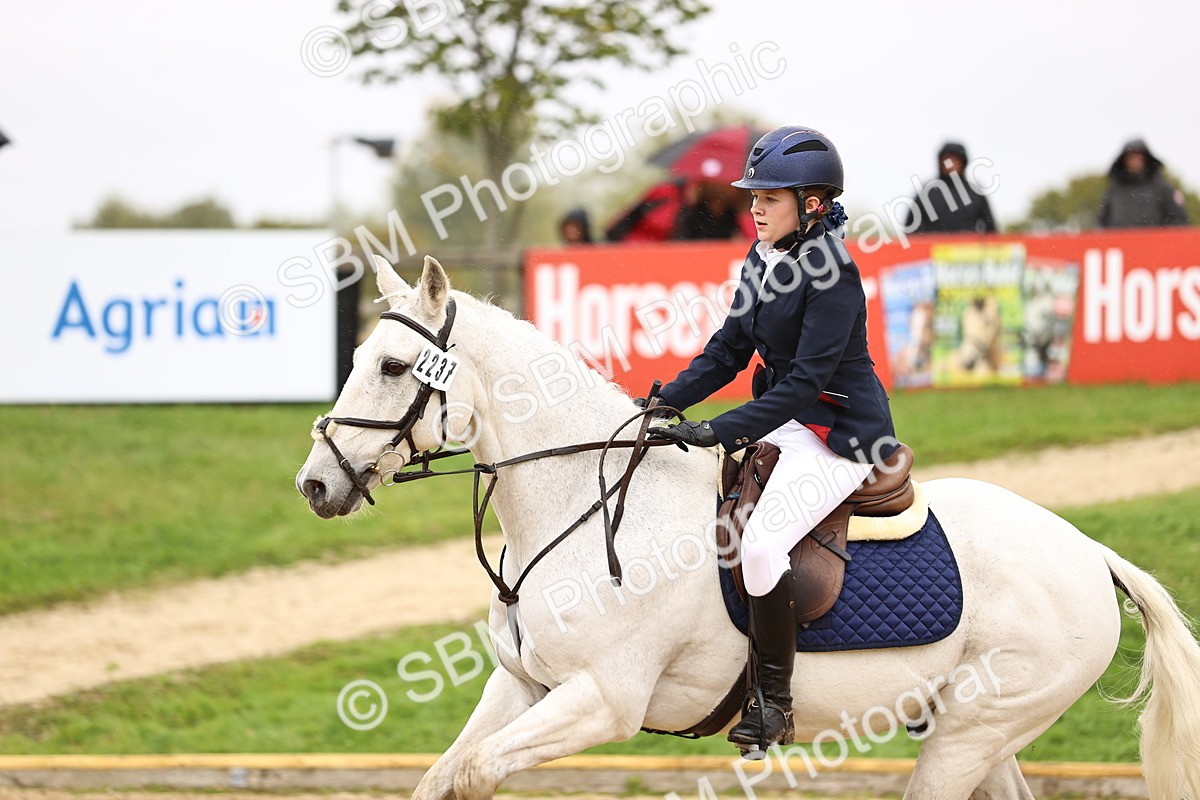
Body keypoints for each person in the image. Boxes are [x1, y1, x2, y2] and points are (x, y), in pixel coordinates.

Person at [645, 127, 899, 753]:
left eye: (770, 197)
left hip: (842, 432)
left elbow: (808, 382)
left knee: (758, 545)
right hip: (788, 418)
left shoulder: (833, 273)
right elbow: (729, 350)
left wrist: (719, 428)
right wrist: (662, 402)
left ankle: (773, 702)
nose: (753, 206)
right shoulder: (762, 259)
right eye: (753, 195)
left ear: (812, 203)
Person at [901, 142, 996, 234]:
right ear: (940, 162)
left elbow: (991, 229)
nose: (950, 165)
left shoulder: (974, 193)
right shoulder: (927, 192)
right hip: (933, 248)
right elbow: (910, 229)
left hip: (966, 248)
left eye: (955, 160)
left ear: (963, 163)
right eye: (946, 160)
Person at [1098, 139, 1190, 228]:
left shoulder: (1163, 189)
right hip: (1120, 243)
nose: (1135, 161)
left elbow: (1179, 221)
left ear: (1146, 159)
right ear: (1124, 161)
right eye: (1131, 157)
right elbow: (1101, 223)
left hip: (1156, 243)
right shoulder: (1114, 191)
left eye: (1138, 156)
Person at [674, 180, 746, 240]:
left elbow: (735, 235)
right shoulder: (693, 214)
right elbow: (684, 238)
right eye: (716, 195)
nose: (718, 202)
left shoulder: (730, 215)